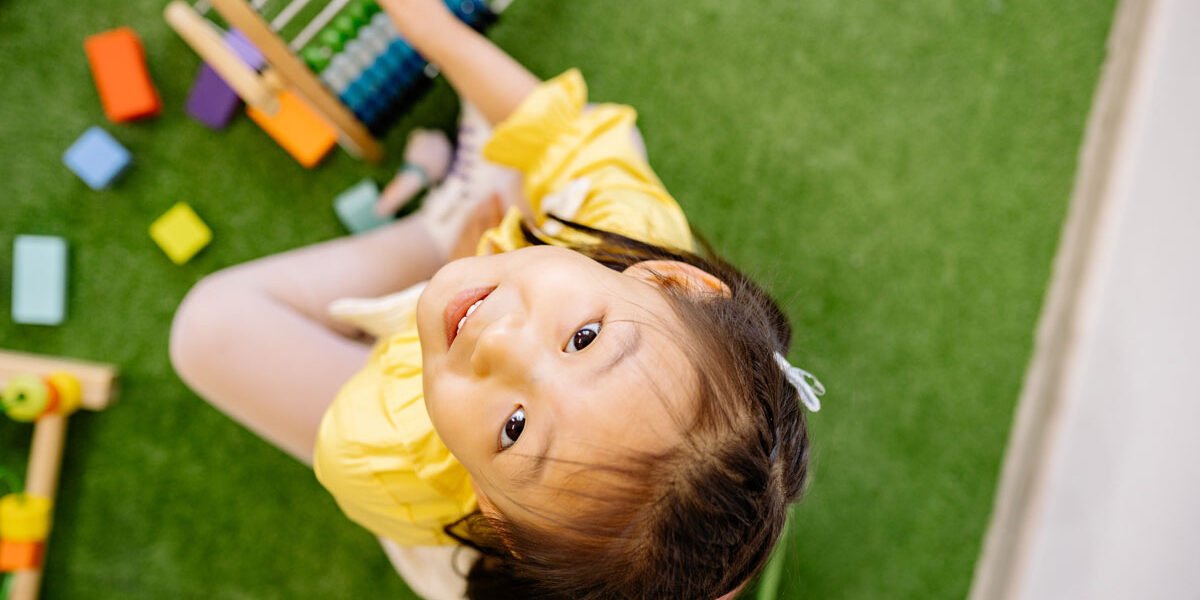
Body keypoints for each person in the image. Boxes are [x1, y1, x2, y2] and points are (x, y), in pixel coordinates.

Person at [169, 0, 824, 597]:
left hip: (417, 405)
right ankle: (491, 215)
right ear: (670, 281)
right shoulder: (641, 234)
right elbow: (570, 137)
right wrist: (435, 33)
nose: (500, 343)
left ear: (494, 511)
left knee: (207, 328)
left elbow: (418, 373)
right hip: (546, 256)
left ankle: (437, 222)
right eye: (584, 338)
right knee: (593, 145)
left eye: (516, 428)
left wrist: (455, 262)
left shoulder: (383, 449)